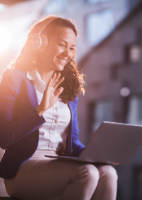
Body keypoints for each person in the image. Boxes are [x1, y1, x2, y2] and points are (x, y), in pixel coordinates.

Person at [0, 15, 118, 200]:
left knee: (108, 172)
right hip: (23, 168)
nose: (68, 53)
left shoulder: (68, 88)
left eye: (71, 48)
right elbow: (4, 138)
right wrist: (39, 110)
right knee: (87, 173)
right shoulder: (15, 79)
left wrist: (96, 154)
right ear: (39, 43)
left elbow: (72, 141)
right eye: (62, 45)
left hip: (58, 165)